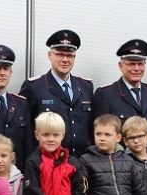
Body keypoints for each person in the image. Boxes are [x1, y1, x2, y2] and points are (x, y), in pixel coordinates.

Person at [20, 29, 94, 157]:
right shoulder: (34, 87)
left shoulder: (86, 86)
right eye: (60, 54)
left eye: (70, 55)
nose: (65, 59)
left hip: (83, 164)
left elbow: (91, 128)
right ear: (49, 55)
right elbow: (26, 133)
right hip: (50, 166)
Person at [0, 45, 34, 171]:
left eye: (6, 68)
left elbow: (28, 147)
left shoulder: (21, 103)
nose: (2, 73)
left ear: (11, 72)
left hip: (17, 178)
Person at [92, 39, 147, 131]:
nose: (137, 68)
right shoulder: (105, 95)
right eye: (131, 64)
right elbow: (100, 134)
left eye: (140, 64)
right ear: (120, 65)